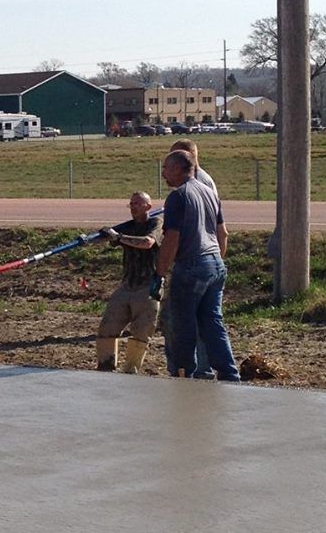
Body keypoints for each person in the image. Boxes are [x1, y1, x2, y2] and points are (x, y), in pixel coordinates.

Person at [157, 150, 239, 381]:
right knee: (212, 321)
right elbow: (222, 233)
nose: (163, 174)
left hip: (191, 265)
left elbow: (172, 238)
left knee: (182, 324)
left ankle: (184, 375)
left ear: (177, 168)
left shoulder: (178, 196)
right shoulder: (209, 192)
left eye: (165, 168)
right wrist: (217, 261)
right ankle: (229, 373)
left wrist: (159, 273)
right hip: (215, 263)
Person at [95, 190, 162, 374]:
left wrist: (119, 237)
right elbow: (103, 241)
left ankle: (131, 370)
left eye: (137, 204)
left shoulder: (156, 223)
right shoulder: (127, 227)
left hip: (148, 286)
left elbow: (148, 242)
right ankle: (105, 367)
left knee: (141, 330)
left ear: (148, 207)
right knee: (108, 326)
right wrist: (103, 235)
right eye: (131, 204)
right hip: (127, 285)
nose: (133, 208)